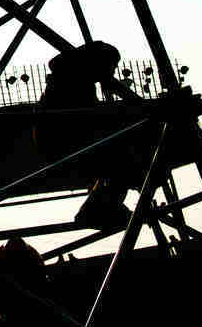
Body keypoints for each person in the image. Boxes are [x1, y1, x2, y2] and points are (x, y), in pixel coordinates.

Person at [33, 40, 134, 231]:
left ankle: (99, 208)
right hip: (66, 146)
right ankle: (96, 211)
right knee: (124, 161)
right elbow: (90, 120)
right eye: (112, 66)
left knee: (120, 162)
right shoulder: (74, 84)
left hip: (64, 144)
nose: (113, 72)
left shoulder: (68, 80)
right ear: (98, 64)